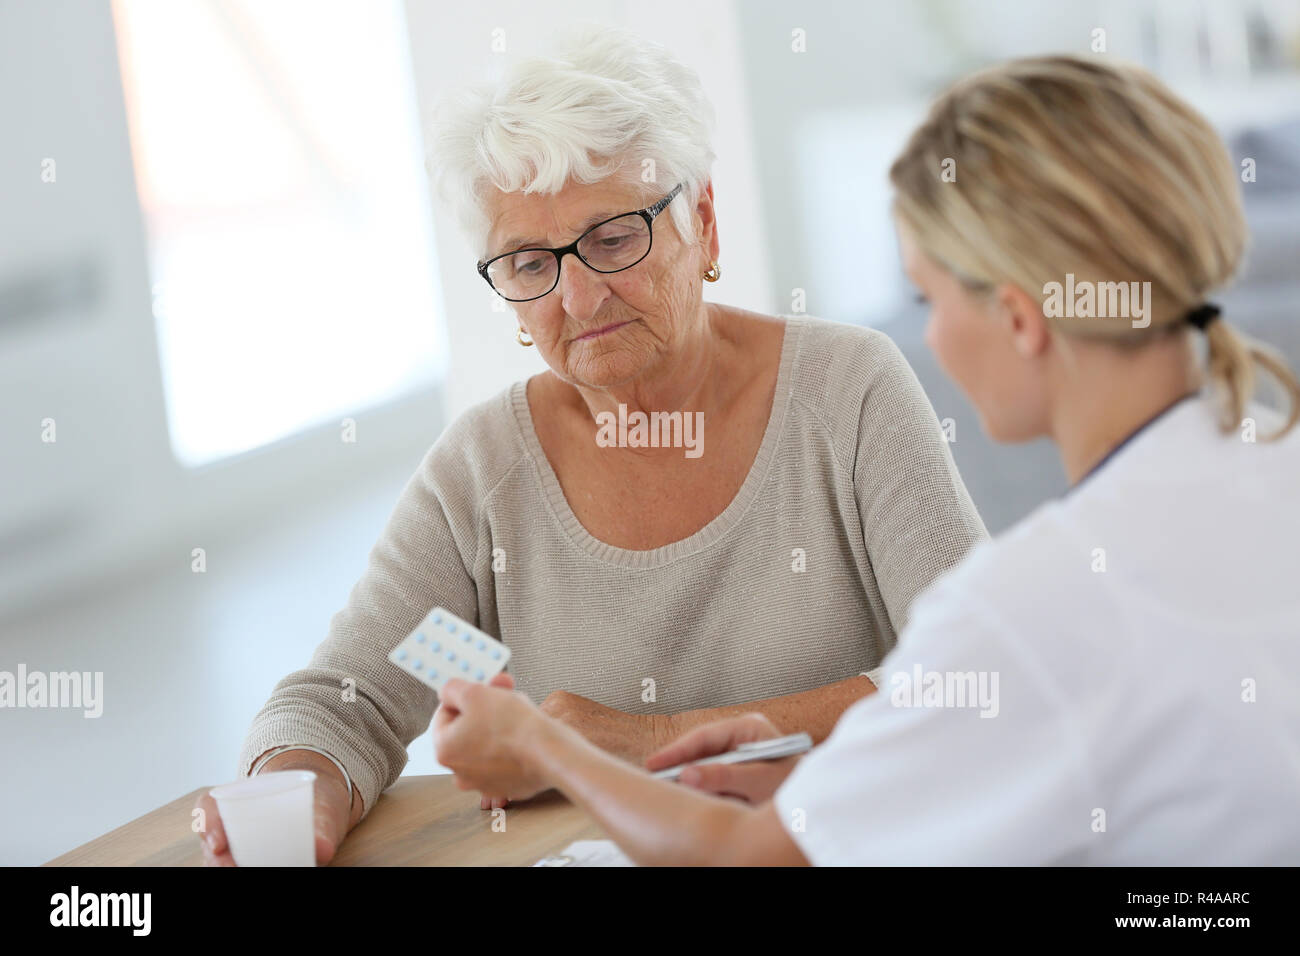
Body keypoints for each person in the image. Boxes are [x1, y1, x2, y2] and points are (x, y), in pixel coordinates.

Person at [432, 54, 1300, 865]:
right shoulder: (1271, 467)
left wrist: (546, 745)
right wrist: (842, 778)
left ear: (1021, 319)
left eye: (929, 295)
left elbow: (744, 857)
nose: (926, 332)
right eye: (532, 263)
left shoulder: (1024, 600)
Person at [197, 26, 985, 865]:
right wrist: (302, 796)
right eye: (531, 263)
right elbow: (343, 703)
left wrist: (638, 739)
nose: (578, 297)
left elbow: (974, 672)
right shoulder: (485, 472)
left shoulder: (846, 391)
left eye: (612, 240)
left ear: (704, 223)